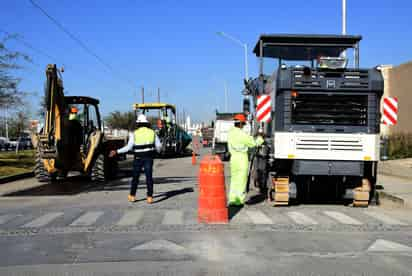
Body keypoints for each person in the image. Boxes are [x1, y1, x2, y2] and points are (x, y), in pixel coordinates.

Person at [109, 114, 162, 203]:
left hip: (138, 158)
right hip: (148, 158)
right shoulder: (152, 132)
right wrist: (157, 152)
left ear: (138, 124)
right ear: (146, 123)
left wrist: (116, 151)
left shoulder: (135, 133)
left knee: (135, 178)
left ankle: (132, 196)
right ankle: (149, 197)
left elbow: (128, 147)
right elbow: (159, 146)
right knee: (149, 177)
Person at [227, 114, 264, 206]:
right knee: (241, 180)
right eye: (243, 124)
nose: (243, 126)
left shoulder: (230, 133)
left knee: (234, 180)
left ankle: (232, 199)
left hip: (233, 158)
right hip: (241, 159)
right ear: (240, 124)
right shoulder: (242, 134)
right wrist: (260, 138)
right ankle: (239, 201)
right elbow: (253, 143)